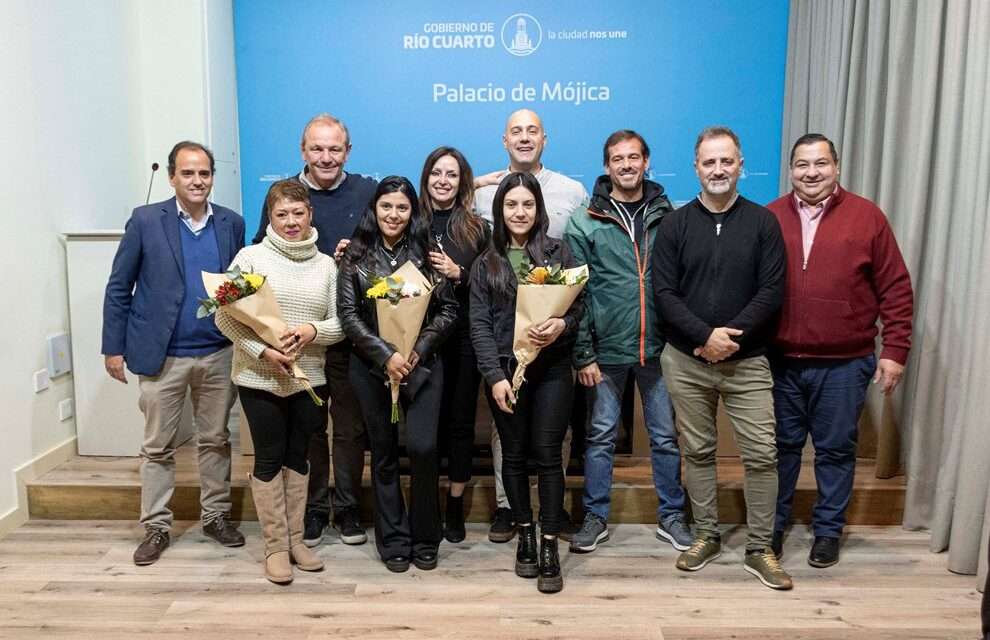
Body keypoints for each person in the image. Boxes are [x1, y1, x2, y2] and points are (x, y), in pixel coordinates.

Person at [651, 126, 792, 590]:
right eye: (709, 162)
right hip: (686, 360)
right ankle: (706, 535)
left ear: (740, 165)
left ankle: (760, 548)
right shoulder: (674, 224)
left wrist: (729, 338)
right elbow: (664, 292)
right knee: (698, 451)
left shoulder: (763, 222)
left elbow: (771, 291)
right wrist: (703, 336)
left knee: (762, 454)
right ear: (696, 167)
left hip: (747, 362)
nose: (718, 169)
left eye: (726, 161)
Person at [766, 134, 914, 567]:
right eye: (802, 164)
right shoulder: (769, 217)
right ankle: (771, 526)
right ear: (790, 170)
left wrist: (895, 350)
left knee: (834, 451)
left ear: (836, 167)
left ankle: (828, 531)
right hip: (780, 362)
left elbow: (896, 288)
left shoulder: (867, 217)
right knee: (779, 451)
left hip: (844, 364)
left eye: (820, 164)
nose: (811, 173)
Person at [102, 140, 246, 566]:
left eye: (204, 173)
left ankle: (215, 517)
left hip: (218, 352)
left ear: (212, 177)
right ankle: (156, 526)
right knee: (158, 446)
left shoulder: (231, 223)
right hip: (161, 354)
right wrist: (113, 347)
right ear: (172, 177)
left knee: (216, 440)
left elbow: (239, 287)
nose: (197, 181)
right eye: (188, 173)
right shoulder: (146, 220)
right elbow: (119, 287)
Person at [253, 114, 377, 549]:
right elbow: (261, 256)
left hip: (348, 332)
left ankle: (347, 507)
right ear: (303, 150)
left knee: (348, 429)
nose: (326, 157)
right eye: (317, 148)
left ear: (348, 151)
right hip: (295, 341)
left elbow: (389, 245)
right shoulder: (284, 194)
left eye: (334, 149)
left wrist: (358, 252)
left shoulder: (366, 192)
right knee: (308, 430)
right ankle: (313, 508)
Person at [564, 130, 691, 553]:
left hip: (659, 348)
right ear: (607, 166)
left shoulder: (669, 216)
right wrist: (583, 353)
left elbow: (682, 283)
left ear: (646, 161)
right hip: (606, 350)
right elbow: (575, 293)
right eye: (617, 159)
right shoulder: (585, 220)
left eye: (634, 157)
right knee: (600, 436)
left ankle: (671, 515)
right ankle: (595, 516)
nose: (626, 165)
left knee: (665, 437)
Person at [215, 180, 344, 583]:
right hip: (259, 378)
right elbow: (223, 317)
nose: (291, 222)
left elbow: (340, 324)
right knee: (269, 457)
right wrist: (263, 351)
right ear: (270, 217)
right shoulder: (250, 258)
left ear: (310, 214)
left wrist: (311, 331)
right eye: (281, 214)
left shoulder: (326, 265)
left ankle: (296, 540)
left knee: (299, 457)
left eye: (298, 213)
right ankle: (274, 546)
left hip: (310, 379)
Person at [474, 109, 588, 541]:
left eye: (527, 204)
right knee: (514, 455)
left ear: (539, 209)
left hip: (553, 368)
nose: (519, 212)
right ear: (498, 209)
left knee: (548, 454)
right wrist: (494, 376)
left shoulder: (559, 252)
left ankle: (549, 538)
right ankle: (524, 532)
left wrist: (561, 325)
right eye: (511, 204)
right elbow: (479, 324)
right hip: (506, 372)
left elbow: (578, 306)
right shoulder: (486, 263)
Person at [337, 176, 458, 573]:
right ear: (374, 209)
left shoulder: (428, 251)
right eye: (386, 206)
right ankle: (393, 539)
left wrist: (419, 348)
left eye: (402, 207)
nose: (393, 214)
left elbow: (448, 310)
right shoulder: (355, 255)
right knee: (384, 453)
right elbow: (348, 315)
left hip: (423, 366)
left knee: (423, 450)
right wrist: (385, 354)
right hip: (371, 369)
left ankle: (426, 536)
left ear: (412, 212)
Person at [418, 147, 490, 543]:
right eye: (436, 173)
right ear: (426, 177)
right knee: (427, 426)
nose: (443, 180)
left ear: (462, 182)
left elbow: (494, 283)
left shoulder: (477, 228)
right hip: (420, 339)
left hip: (464, 339)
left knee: (461, 424)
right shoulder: (410, 220)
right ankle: (426, 501)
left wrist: (459, 273)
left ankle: (455, 504)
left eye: (451, 174)